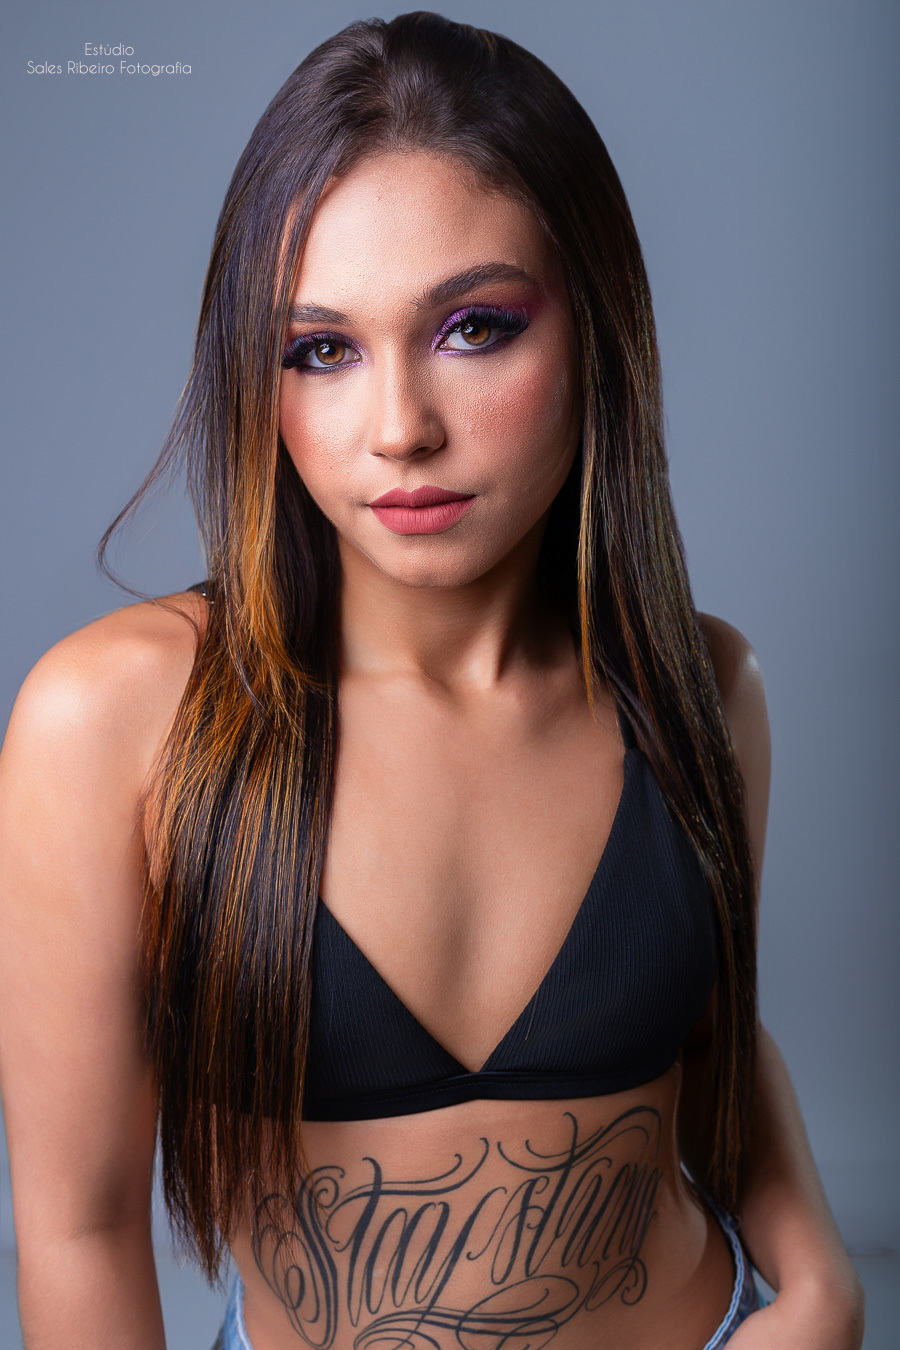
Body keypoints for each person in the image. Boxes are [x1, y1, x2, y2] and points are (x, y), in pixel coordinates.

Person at [0, 12, 865, 1350]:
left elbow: (715, 1046)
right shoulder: (113, 723)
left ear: (594, 326)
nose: (399, 427)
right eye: (321, 349)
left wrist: (816, 1285)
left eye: (474, 327)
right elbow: (80, 1224)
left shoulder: (702, 686)